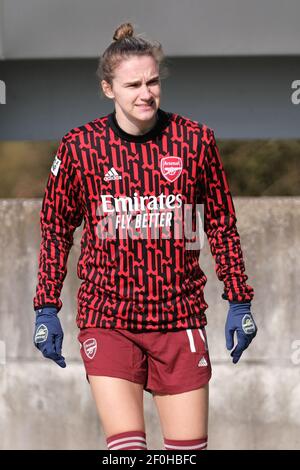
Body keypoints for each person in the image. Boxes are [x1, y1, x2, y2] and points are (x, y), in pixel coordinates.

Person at [33, 22, 257, 451]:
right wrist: (46, 307)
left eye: (153, 81)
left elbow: (222, 225)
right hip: (109, 317)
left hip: (179, 318)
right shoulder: (79, 147)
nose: (145, 93)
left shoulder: (196, 141)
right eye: (132, 83)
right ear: (107, 89)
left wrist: (239, 298)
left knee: (185, 455)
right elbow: (56, 229)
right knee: (127, 451)